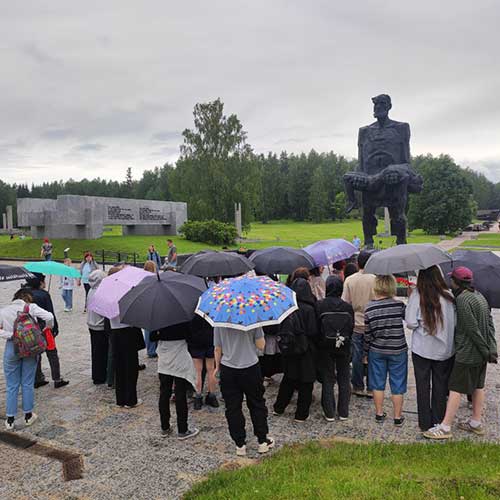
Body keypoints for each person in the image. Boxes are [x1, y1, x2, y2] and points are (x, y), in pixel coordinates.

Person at [424, 267, 497, 440]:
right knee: (478, 386)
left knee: (455, 388)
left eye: (452, 281)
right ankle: (475, 422)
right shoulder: (480, 296)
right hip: (481, 354)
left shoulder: (463, 300)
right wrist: (491, 348)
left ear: (456, 282)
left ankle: (445, 427)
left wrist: (486, 350)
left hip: (468, 352)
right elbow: (490, 324)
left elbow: (472, 329)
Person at [405, 266, 455, 431]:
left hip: (423, 349)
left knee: (423, 386)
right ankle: (438, 420)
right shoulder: (448, 296)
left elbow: (411, 323)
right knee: (441, 386)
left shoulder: (417, 295)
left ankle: (424, 422)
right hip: (444, 349)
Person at [214, 323, 273, 456]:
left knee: (232, 407)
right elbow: (261, 345)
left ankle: (239, 444)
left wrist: (217, 367)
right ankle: (262, 441)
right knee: (257, 403)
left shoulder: (220, 322)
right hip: (251, 366)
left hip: (228, 368)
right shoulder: (253, 319)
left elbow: (218, 348)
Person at [0, 288, 53, 430]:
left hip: (12, 346)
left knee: (11, 384)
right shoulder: (31, 307)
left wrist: (11, 335)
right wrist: (45, 329)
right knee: (27, 382)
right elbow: (49, 317)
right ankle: (28, 415)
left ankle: (10, 419)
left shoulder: (4, 311)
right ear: (27, 298)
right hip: (30, 346)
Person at [364, 275, 407, 426]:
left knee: (377, 383)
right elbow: (409, 319)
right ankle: (397, 416)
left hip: (377, 350)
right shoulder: (399, 306)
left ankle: (379, 413)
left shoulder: (369, 307)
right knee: (398, 383)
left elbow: (367, 334)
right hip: (398, 349)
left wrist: (365, 353)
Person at [274, 277, 319, 422]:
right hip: (307, 349)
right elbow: (313, 331)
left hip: (291, 348)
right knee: (306, 382)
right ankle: (301, 413)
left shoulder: (288, 307)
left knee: (289, 379)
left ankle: (279, 407)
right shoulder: (310, 308)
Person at [150, 322, 199, 440]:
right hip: (179, 359)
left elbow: (152, 338)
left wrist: (161, 334)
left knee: (164, 393)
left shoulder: (159, 319)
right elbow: (192, 337)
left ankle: (165, 427)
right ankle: (182, 429)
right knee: (180, 394)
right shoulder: (182, 319)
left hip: (164, 360)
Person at [106, 266, 146, 408]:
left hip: (115, 331)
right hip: (127, 331)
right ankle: (131, 399)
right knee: (130, 367)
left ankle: (121, 398)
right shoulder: (124, 292)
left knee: (119, 366)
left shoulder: (107, 292)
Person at [317, 276, 354, 421]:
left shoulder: (320, 305)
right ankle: (343, 411)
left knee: (328, 378)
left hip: (325, 346)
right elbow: (351, 327)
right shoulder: (347, 307)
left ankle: (329, 412)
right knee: (344, 378)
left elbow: (316, 327)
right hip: (344, 345)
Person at [24, 273, 69, 389]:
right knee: (52, 352)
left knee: (36, 353)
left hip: (31, 327)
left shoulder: (24, 294)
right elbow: (50, 313)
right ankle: (57, 378)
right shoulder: (44, 295)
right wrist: (55, 328)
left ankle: (37, 378)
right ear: (40, 282)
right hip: (44, 327)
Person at [341, 250, 375, 397]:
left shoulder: (350, 280)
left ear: (357, 263)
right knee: (373, 355)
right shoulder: (376, 279)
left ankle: (358, 385)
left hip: (356, 321)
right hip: (373, 322)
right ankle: (372, 387)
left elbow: (345, 302)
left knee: (356, 355)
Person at [189, 315, 219, 410]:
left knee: (197, 371)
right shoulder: (211, 308)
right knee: (211, 370)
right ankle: (212, 396)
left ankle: (198, 397)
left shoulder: (192, 310)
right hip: (210, 340)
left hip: (195, 342)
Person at [87, 270, 110, 385]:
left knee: (96, 352)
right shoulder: (100, 293)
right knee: (101, 353)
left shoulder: (91, 290)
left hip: (92, 325)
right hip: (99, 326)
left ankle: (97, 374)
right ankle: (100, 376)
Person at [142, 261, 158, 358]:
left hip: (145, 306)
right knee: (153, 328)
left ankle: (149, 348)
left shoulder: (142, 278)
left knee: (147, 329)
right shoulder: (154, 278)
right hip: (153, 305)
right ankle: (153, 349)